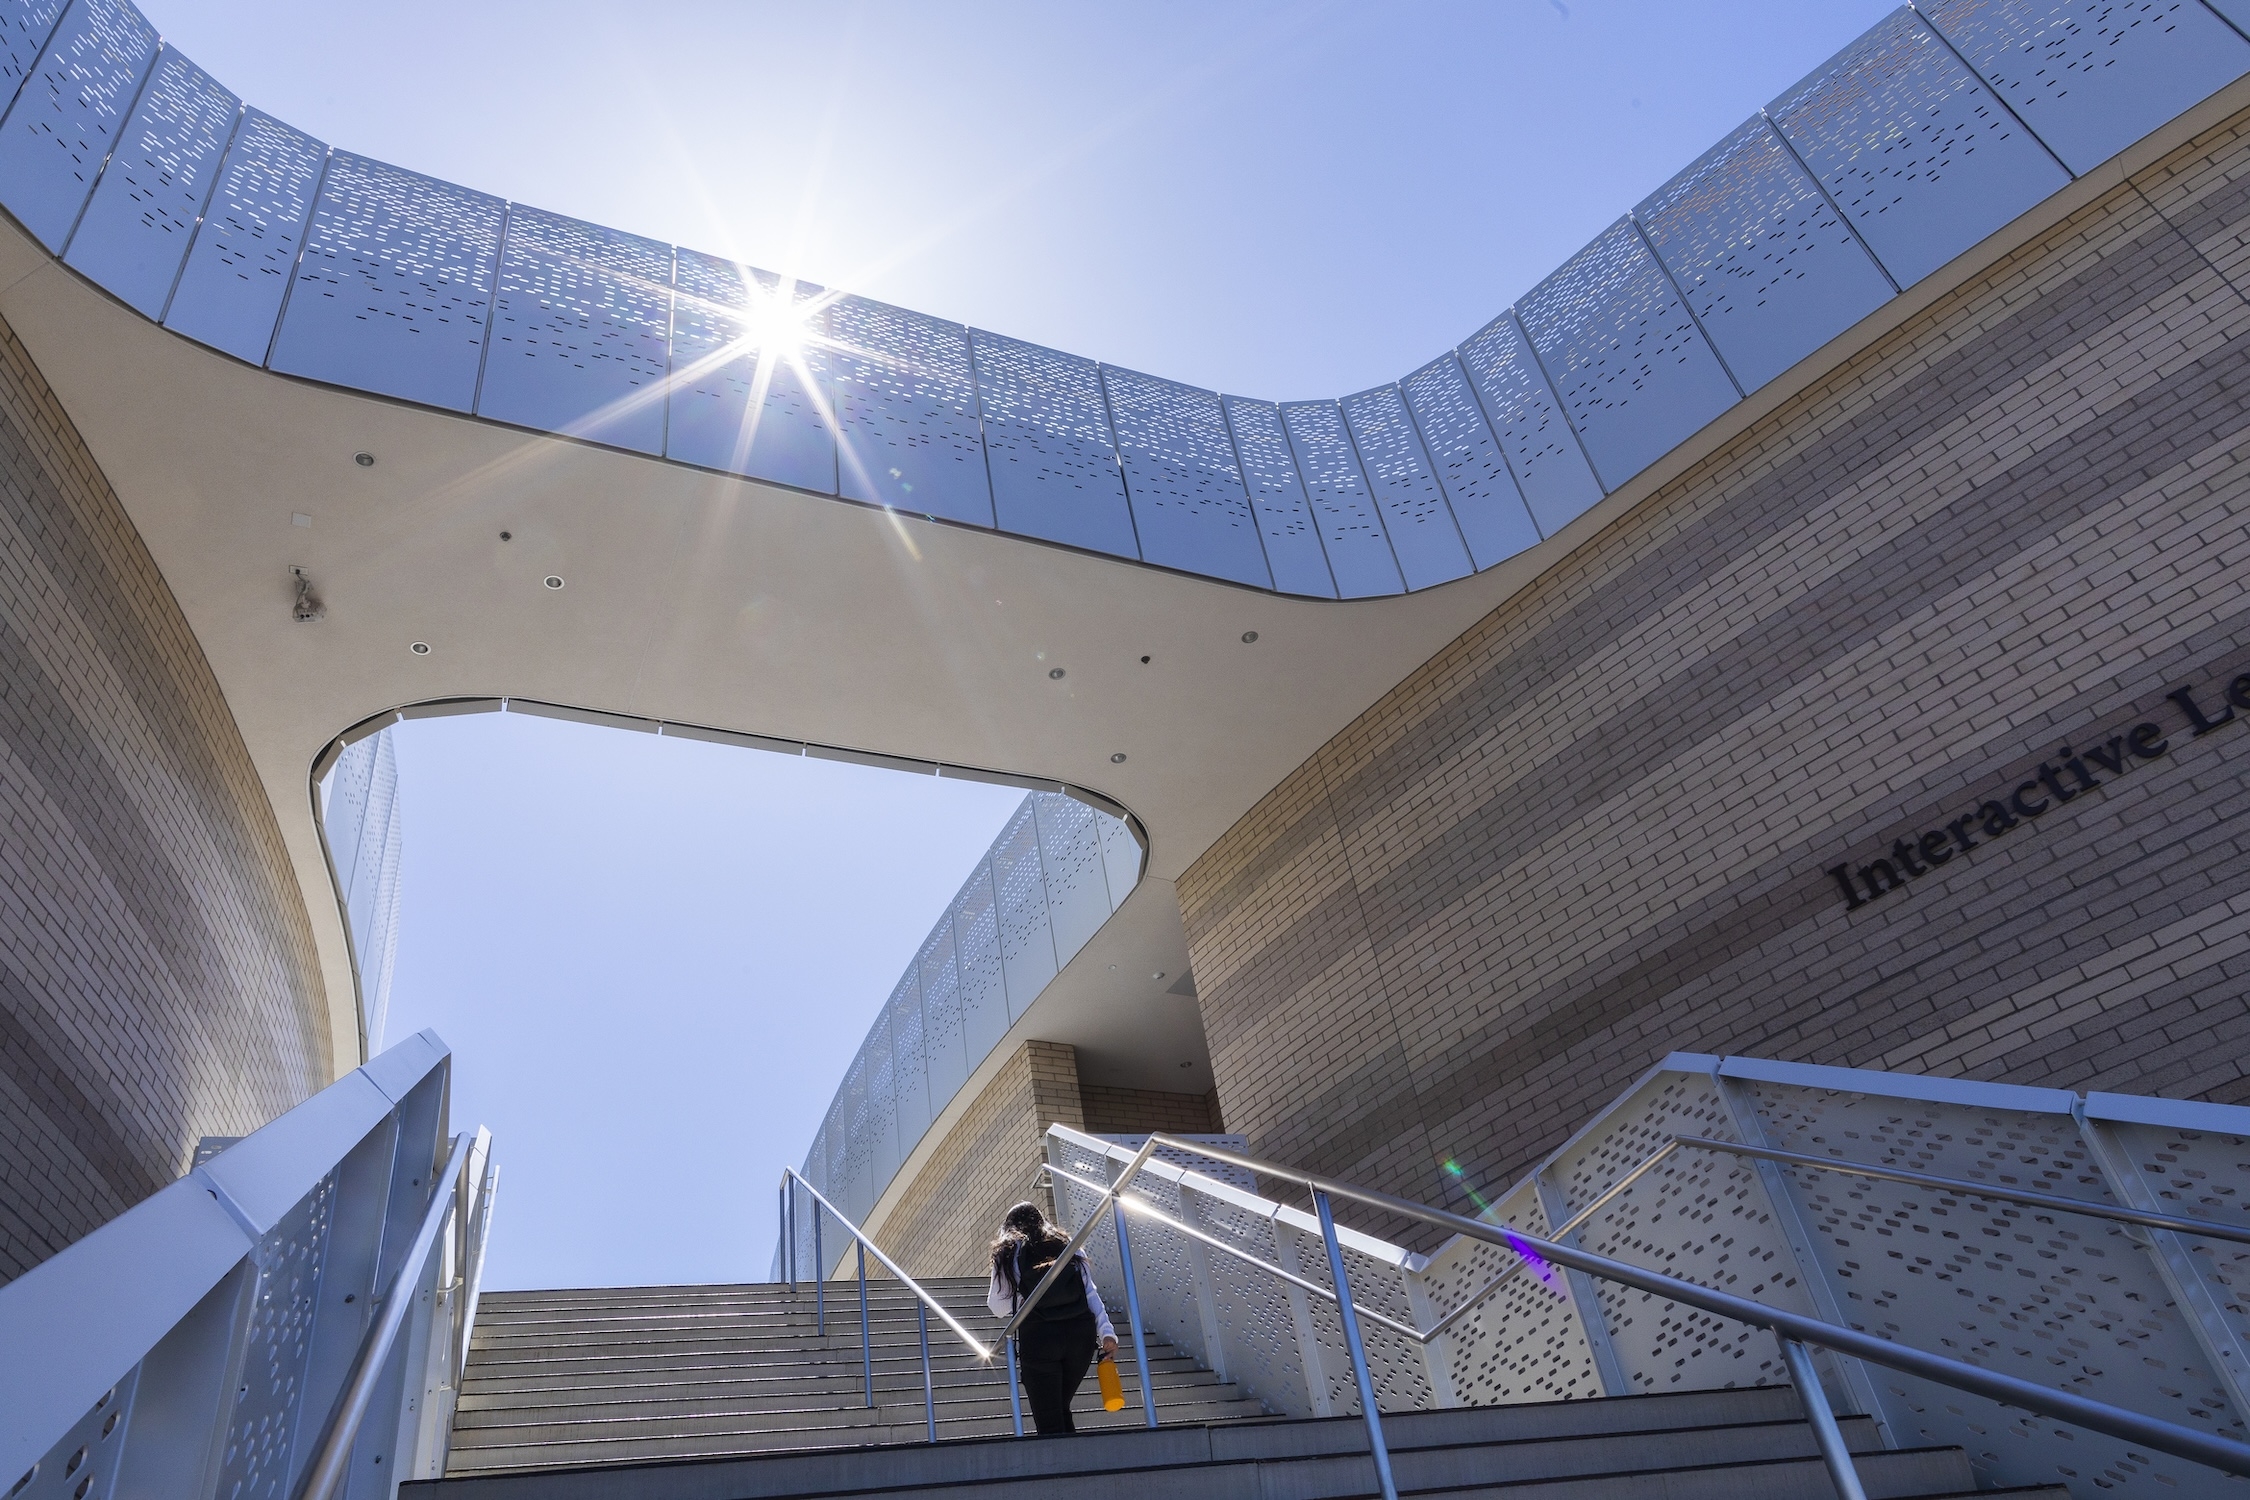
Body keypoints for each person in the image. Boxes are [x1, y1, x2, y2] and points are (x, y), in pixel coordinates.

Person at [985, 1201, 1119, 1434]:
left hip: (1040, 1340)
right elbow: (1090, 1293)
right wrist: (1107, 1332)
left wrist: (1023, 1294)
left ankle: (1066, 1468)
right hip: (1080, 1339)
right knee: (1059, 1409)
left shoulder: (1008, 1250)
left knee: (1049, 1422)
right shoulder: (1067, 1245)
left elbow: (997, 1306)